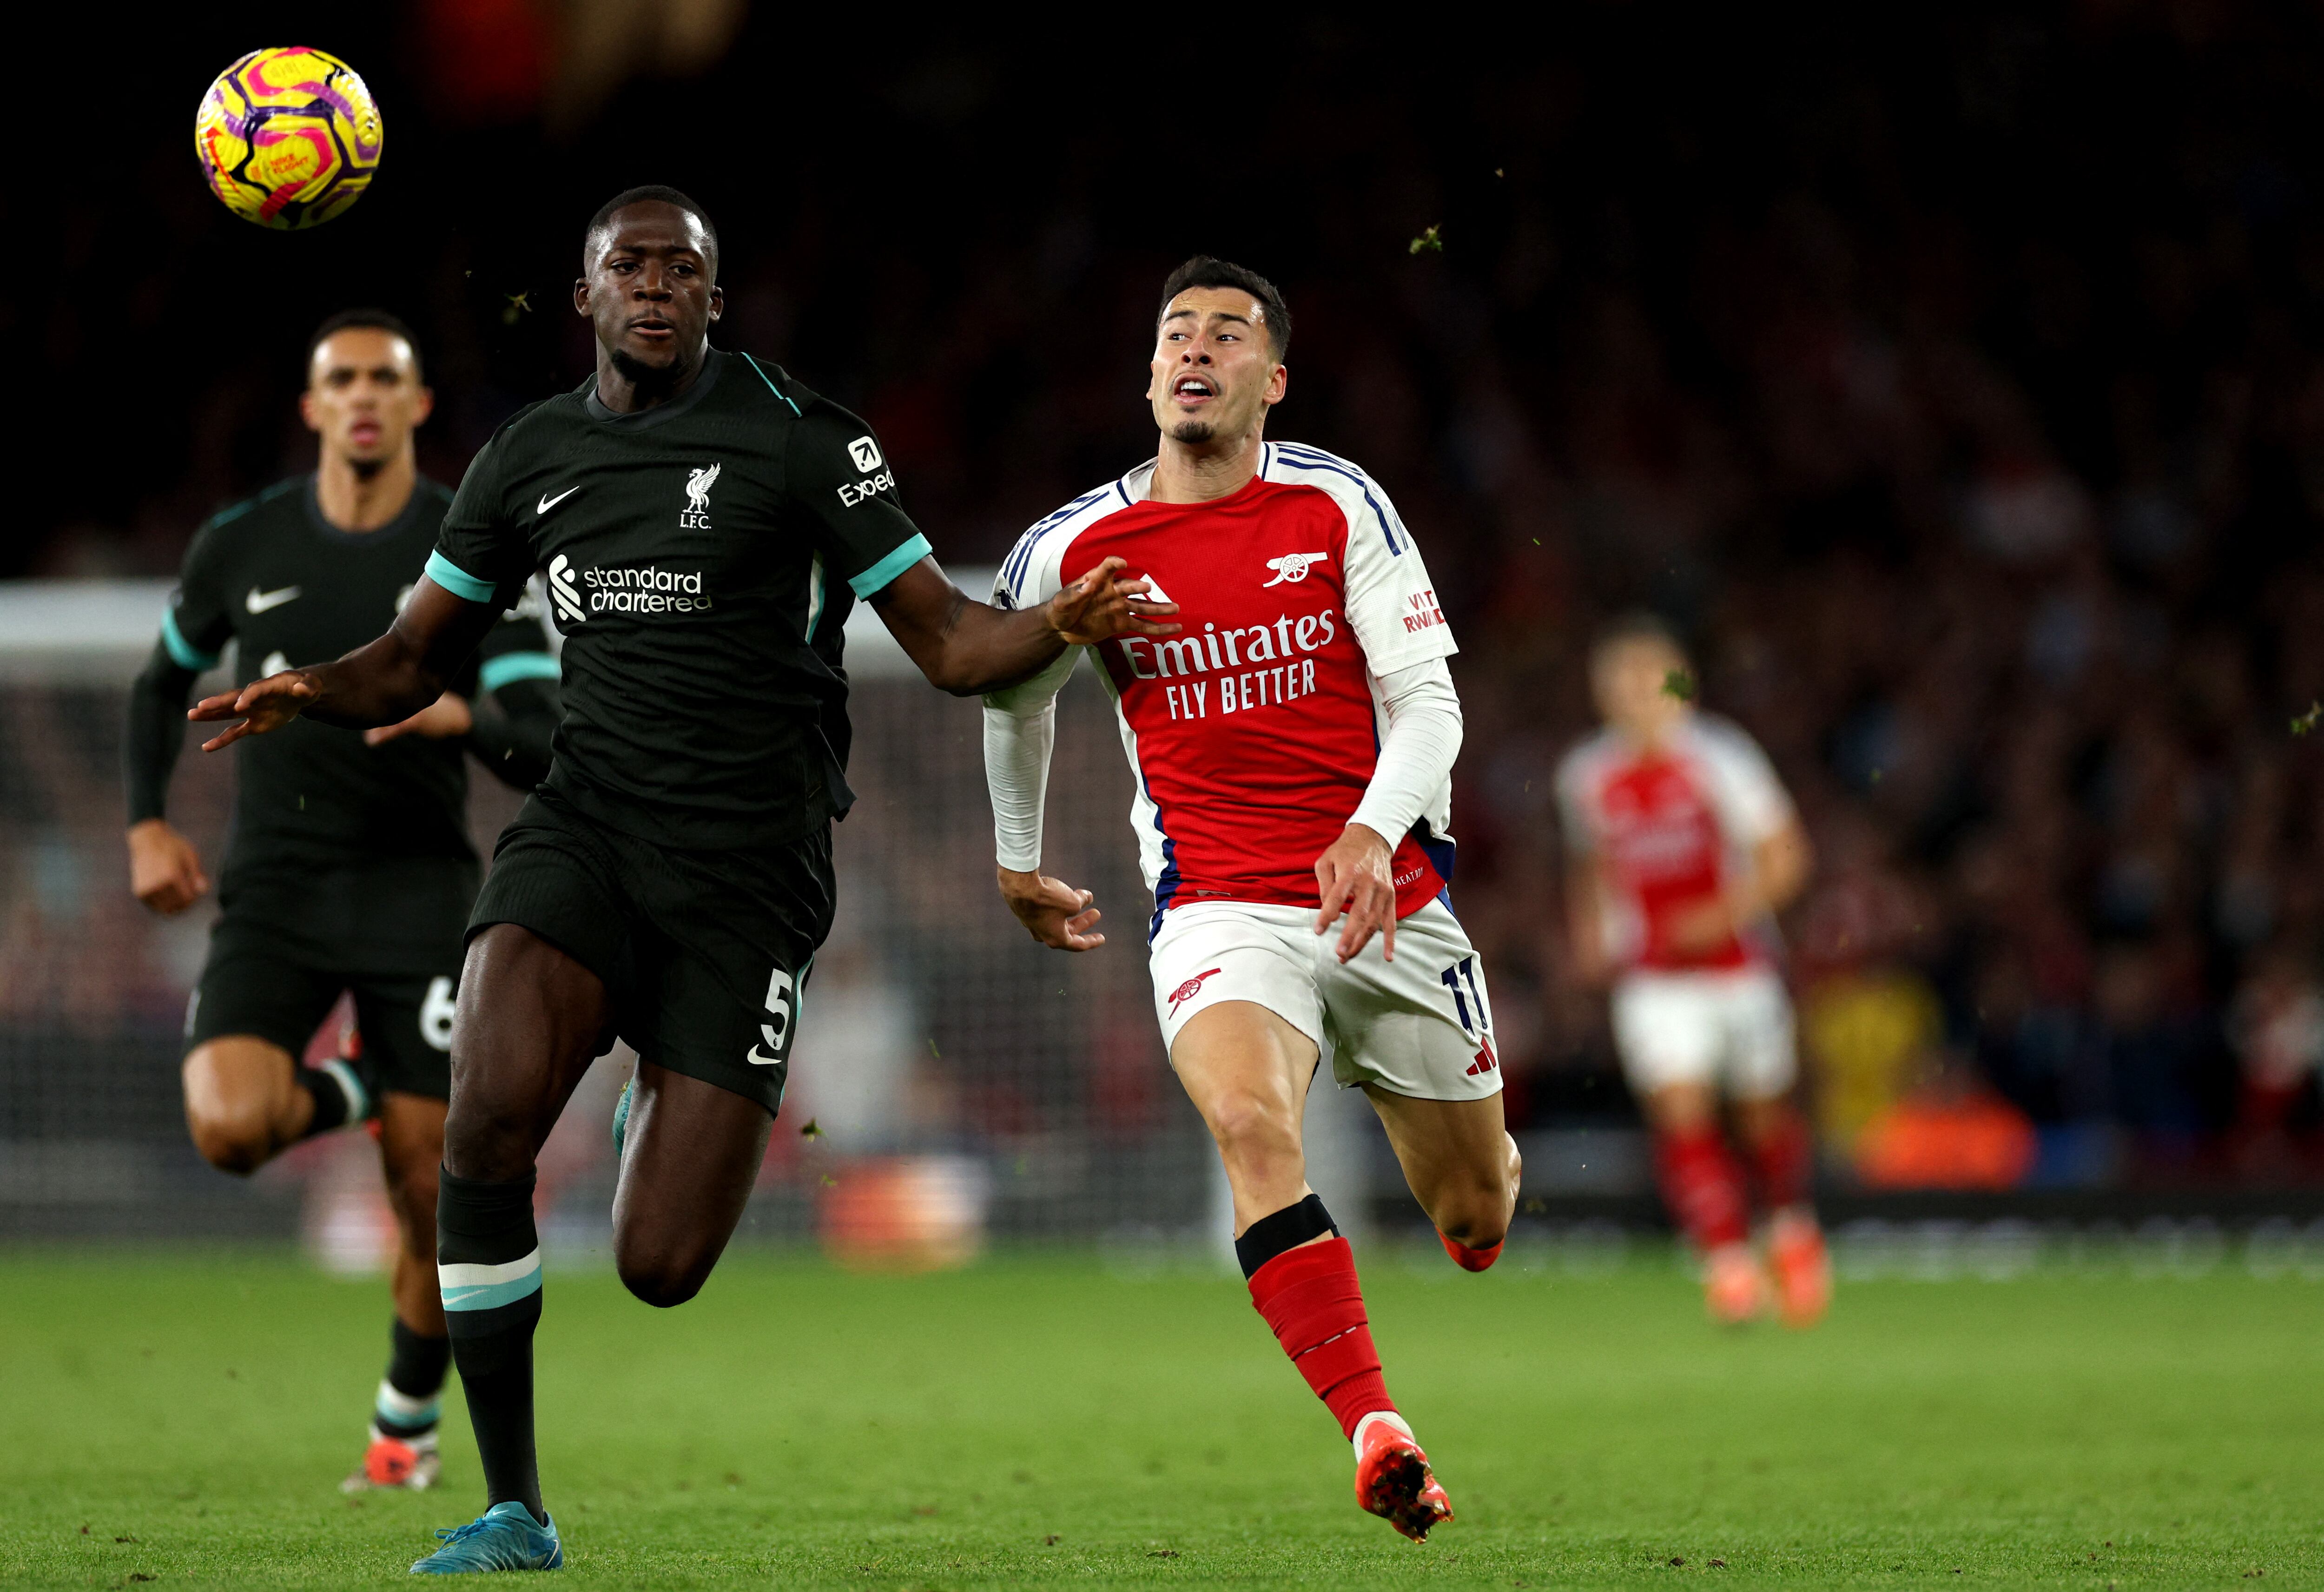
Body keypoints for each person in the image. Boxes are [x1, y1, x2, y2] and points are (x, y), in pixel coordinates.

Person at [188, 186, 1175, 1575]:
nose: (654, 286)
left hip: (750, 874)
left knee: (658, 1264)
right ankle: (515, 1508)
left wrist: (1058, 624)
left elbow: (954, 646)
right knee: (485, 1115)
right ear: (584, 293)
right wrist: (314, 685)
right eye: (628, 266)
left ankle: (665, 1061)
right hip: (584, 830)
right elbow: (414, 657)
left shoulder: (802, 438)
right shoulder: (530, 455)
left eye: (681, 269)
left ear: (717, 295)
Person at [982, 256, 1517, 1544]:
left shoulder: (1339, 503)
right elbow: (1013, 696)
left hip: (1386, 899)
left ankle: (1473, 1159)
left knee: (1473, 1215)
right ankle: (1376, 1428)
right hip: (1219, 907)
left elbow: (1430, 703)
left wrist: (1370, 831)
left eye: (1228, 335)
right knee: (1249, 1125)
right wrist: (1015, 856)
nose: (1196, 350)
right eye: (1177, 332)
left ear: (1272, 381)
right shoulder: (1071, 547)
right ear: (1149, 374)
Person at [124, 310, 560, 1493]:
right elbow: (160, 683)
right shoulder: (242, 543)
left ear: (418, 406)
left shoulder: (471, 546)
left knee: (430, 1183)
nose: (364, 396)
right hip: (274, 890)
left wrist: (462, 715)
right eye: (343, 380)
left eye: (385, 379)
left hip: (418, 891)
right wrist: (147, 822)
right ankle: (363, 1083)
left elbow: (543, 737)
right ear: (313, 407)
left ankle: (403, 1427)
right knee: (228, 1128)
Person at [1554, 614, 1827, 1326]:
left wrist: (1722, 914)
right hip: (1653, 977)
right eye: (1620, 682)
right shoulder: (1586, 774)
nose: (1635, 694)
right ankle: (1728, 1261)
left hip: (1740, 967)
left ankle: (1790, 1227)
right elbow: (1590, 862)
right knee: (1680, 1109)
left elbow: (1787, 858)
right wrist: (1589, 931)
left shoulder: (1723, 758)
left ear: (1679, 683)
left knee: (1762, 1115)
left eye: (1649, 678)